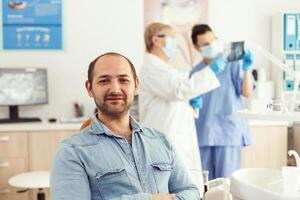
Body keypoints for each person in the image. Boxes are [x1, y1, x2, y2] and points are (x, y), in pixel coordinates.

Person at [50, 52, 200, 200]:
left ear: (136, 86)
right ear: (89, 88)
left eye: (123, 80)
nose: (115, 89)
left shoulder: (161, 141)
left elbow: (190, 191)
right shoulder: (71, 152)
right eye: (104, 81)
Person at [139, 22, 227, 174]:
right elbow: (177, 90)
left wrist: (191, 103)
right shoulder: (151, 68)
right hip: (164, 138)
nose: (175, 43)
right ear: (156, 40)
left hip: (175, 137)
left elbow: (178, 92)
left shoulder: (166, 69)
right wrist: (210, 72)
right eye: (172, 38)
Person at [190, 24, 254, 180]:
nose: (211, 46)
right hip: (204, 134)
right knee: (205, 185)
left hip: (228, 132)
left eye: (213, 41)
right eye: (205, 44)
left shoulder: (231, 63)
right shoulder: (195, 72)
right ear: (197, 47)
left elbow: (247, 92)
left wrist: (246, 69)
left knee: (226, 185)